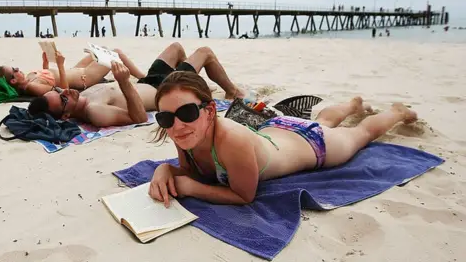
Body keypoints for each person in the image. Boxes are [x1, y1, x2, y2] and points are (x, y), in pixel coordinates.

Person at [147, 71, 418, 206]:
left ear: (208, 111)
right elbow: (187, 171)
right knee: (321, 121)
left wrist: (190, 189)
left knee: (361, 134)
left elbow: (244, 196)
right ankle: (351, 105)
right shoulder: (181, 130)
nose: (177, 125)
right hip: (276, 129)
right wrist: (164, 169)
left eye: (186, 112)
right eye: (166, 118)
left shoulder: (230, 138)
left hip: (314, 145)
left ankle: (397, 111)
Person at [29, 43, 245, 127]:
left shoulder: (81, 96)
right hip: (165, 88)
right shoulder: (94, 111)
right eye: (63, 98)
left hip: (147, 81)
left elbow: (68, 87)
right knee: (205, 53)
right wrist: (123, 83)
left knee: (177, 49)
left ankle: (196, 86)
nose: (66, 90)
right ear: (66, 115)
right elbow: (139, 118)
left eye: (58, 90)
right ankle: (232, 91)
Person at [0, 48, 144, 97]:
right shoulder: (32, 87)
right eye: (15, 70)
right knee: (114, 53)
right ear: (12, 81)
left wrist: (45, 63)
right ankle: (143, 77)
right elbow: (64, 92)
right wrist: (60, 65)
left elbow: (46, 76)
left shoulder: (30, 79)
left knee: (95, 52)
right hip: (84, 77)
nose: (18, 69)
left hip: (74, 69)